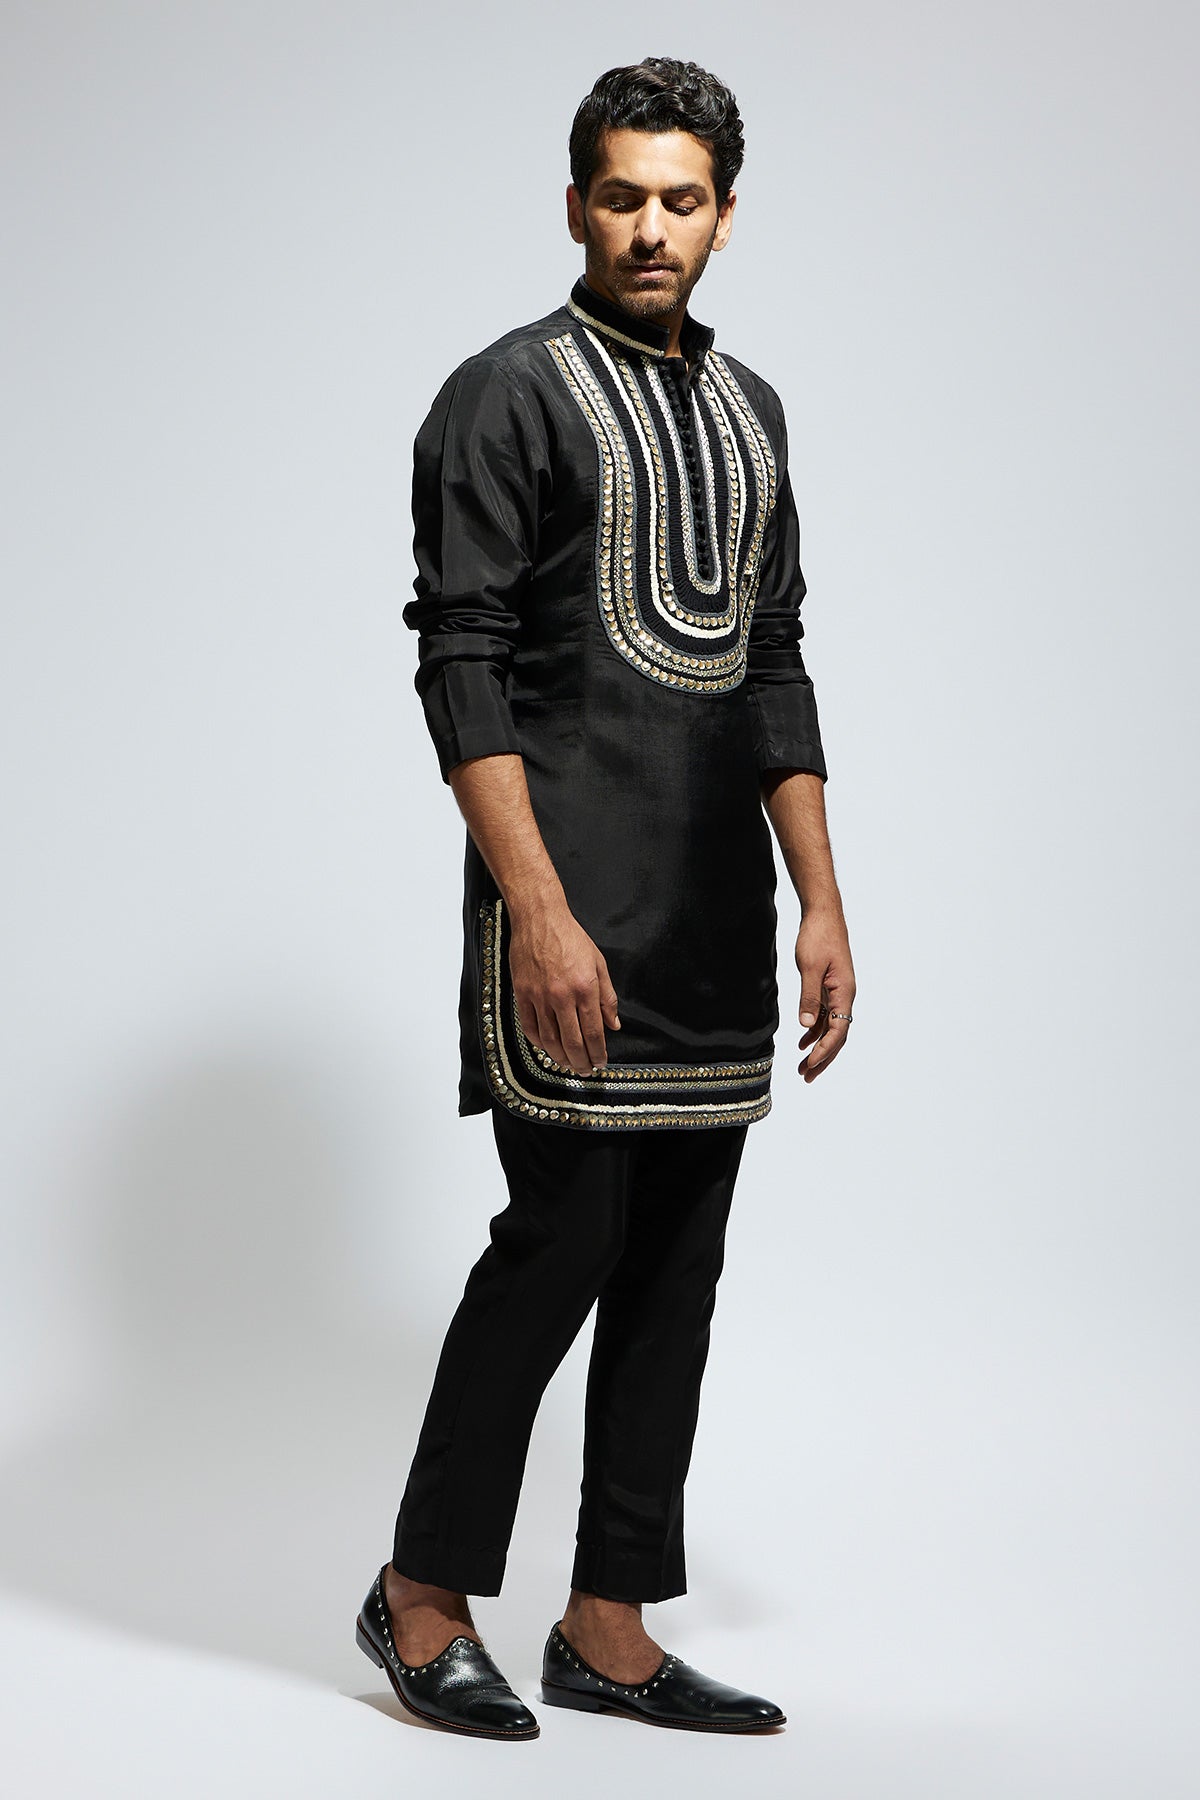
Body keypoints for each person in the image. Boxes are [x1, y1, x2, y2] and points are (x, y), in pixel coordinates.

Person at [354, 55, 855, 1740]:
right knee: (560, 1239)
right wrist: (540, 914)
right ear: (575, 204)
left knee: (677, 1264)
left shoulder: (753, 411)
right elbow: (461, 663)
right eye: (624, 196)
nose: (652, 227)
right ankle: (421, 1595)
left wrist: (821, 901)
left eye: (681, 200)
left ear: (725, 216)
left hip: (714, 914)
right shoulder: (506, 396)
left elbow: (772, 660)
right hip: (565, 906)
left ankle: (609, 1623)